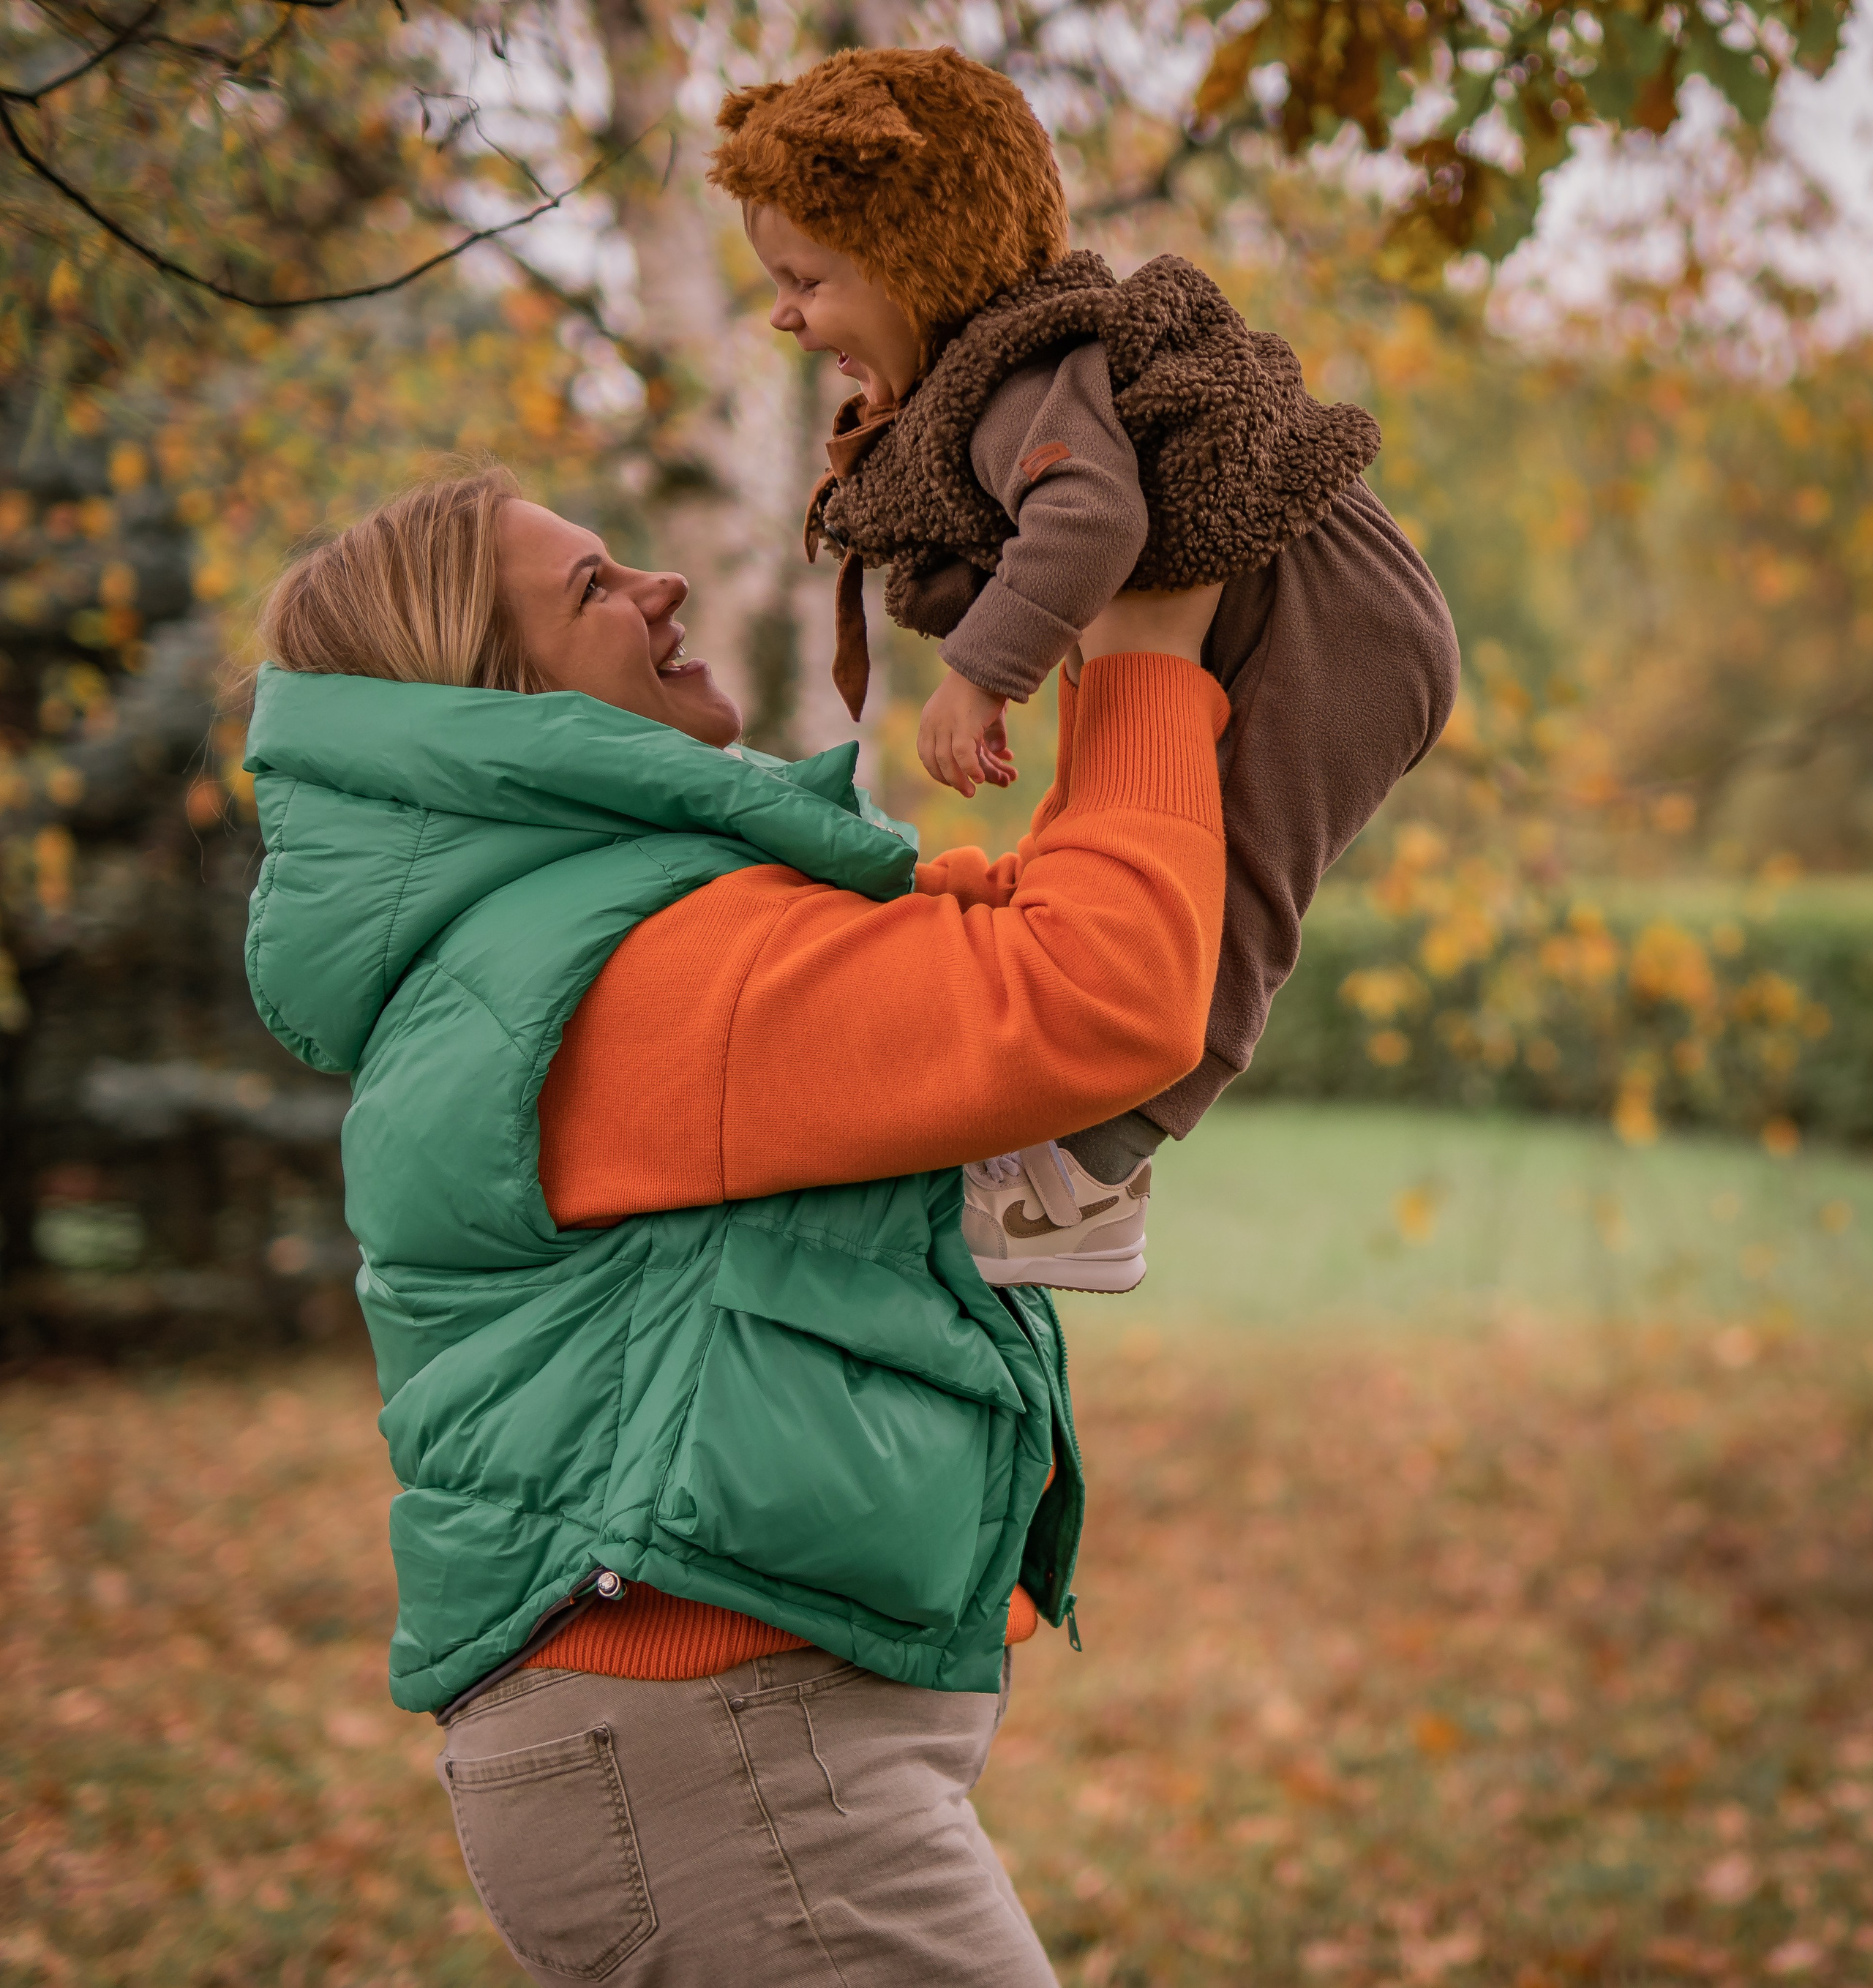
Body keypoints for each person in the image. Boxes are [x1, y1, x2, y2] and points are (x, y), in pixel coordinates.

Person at [244, 465, 1235, 1984]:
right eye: (591, 589)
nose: (662, 588)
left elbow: (1003, 932)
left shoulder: (582, 940)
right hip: (716, 1756)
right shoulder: (623, 974)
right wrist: (1148, 660)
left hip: (708, 1750)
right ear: (502, 701)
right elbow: (1095, 997)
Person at [712, 46, 1461, 1294]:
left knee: (1226, 888)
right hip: (1310, 614)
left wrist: (979, 674)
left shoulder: (1014, 384)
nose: (785, 314)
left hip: (1339, 627)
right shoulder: (1010, 375)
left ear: (914, 263)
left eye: (807, 280)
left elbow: (1092, 517)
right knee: (1116, 844)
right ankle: (1070, 1140)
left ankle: (1089, 1173)